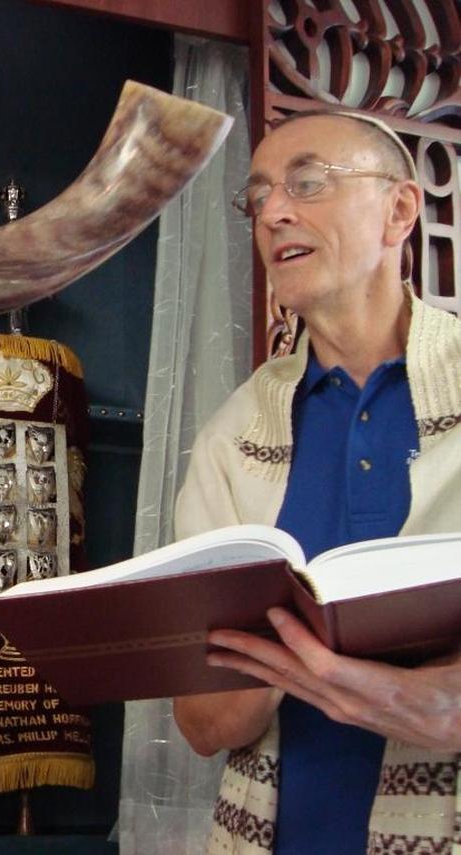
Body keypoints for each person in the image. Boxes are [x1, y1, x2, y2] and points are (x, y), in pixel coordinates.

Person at [172, 110, 461, 853]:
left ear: (399, 208)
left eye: (307, 182)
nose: (273, 212)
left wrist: (425, 702)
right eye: (259, 195)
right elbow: (202, 726)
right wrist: (285, 652)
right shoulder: (232, 438)